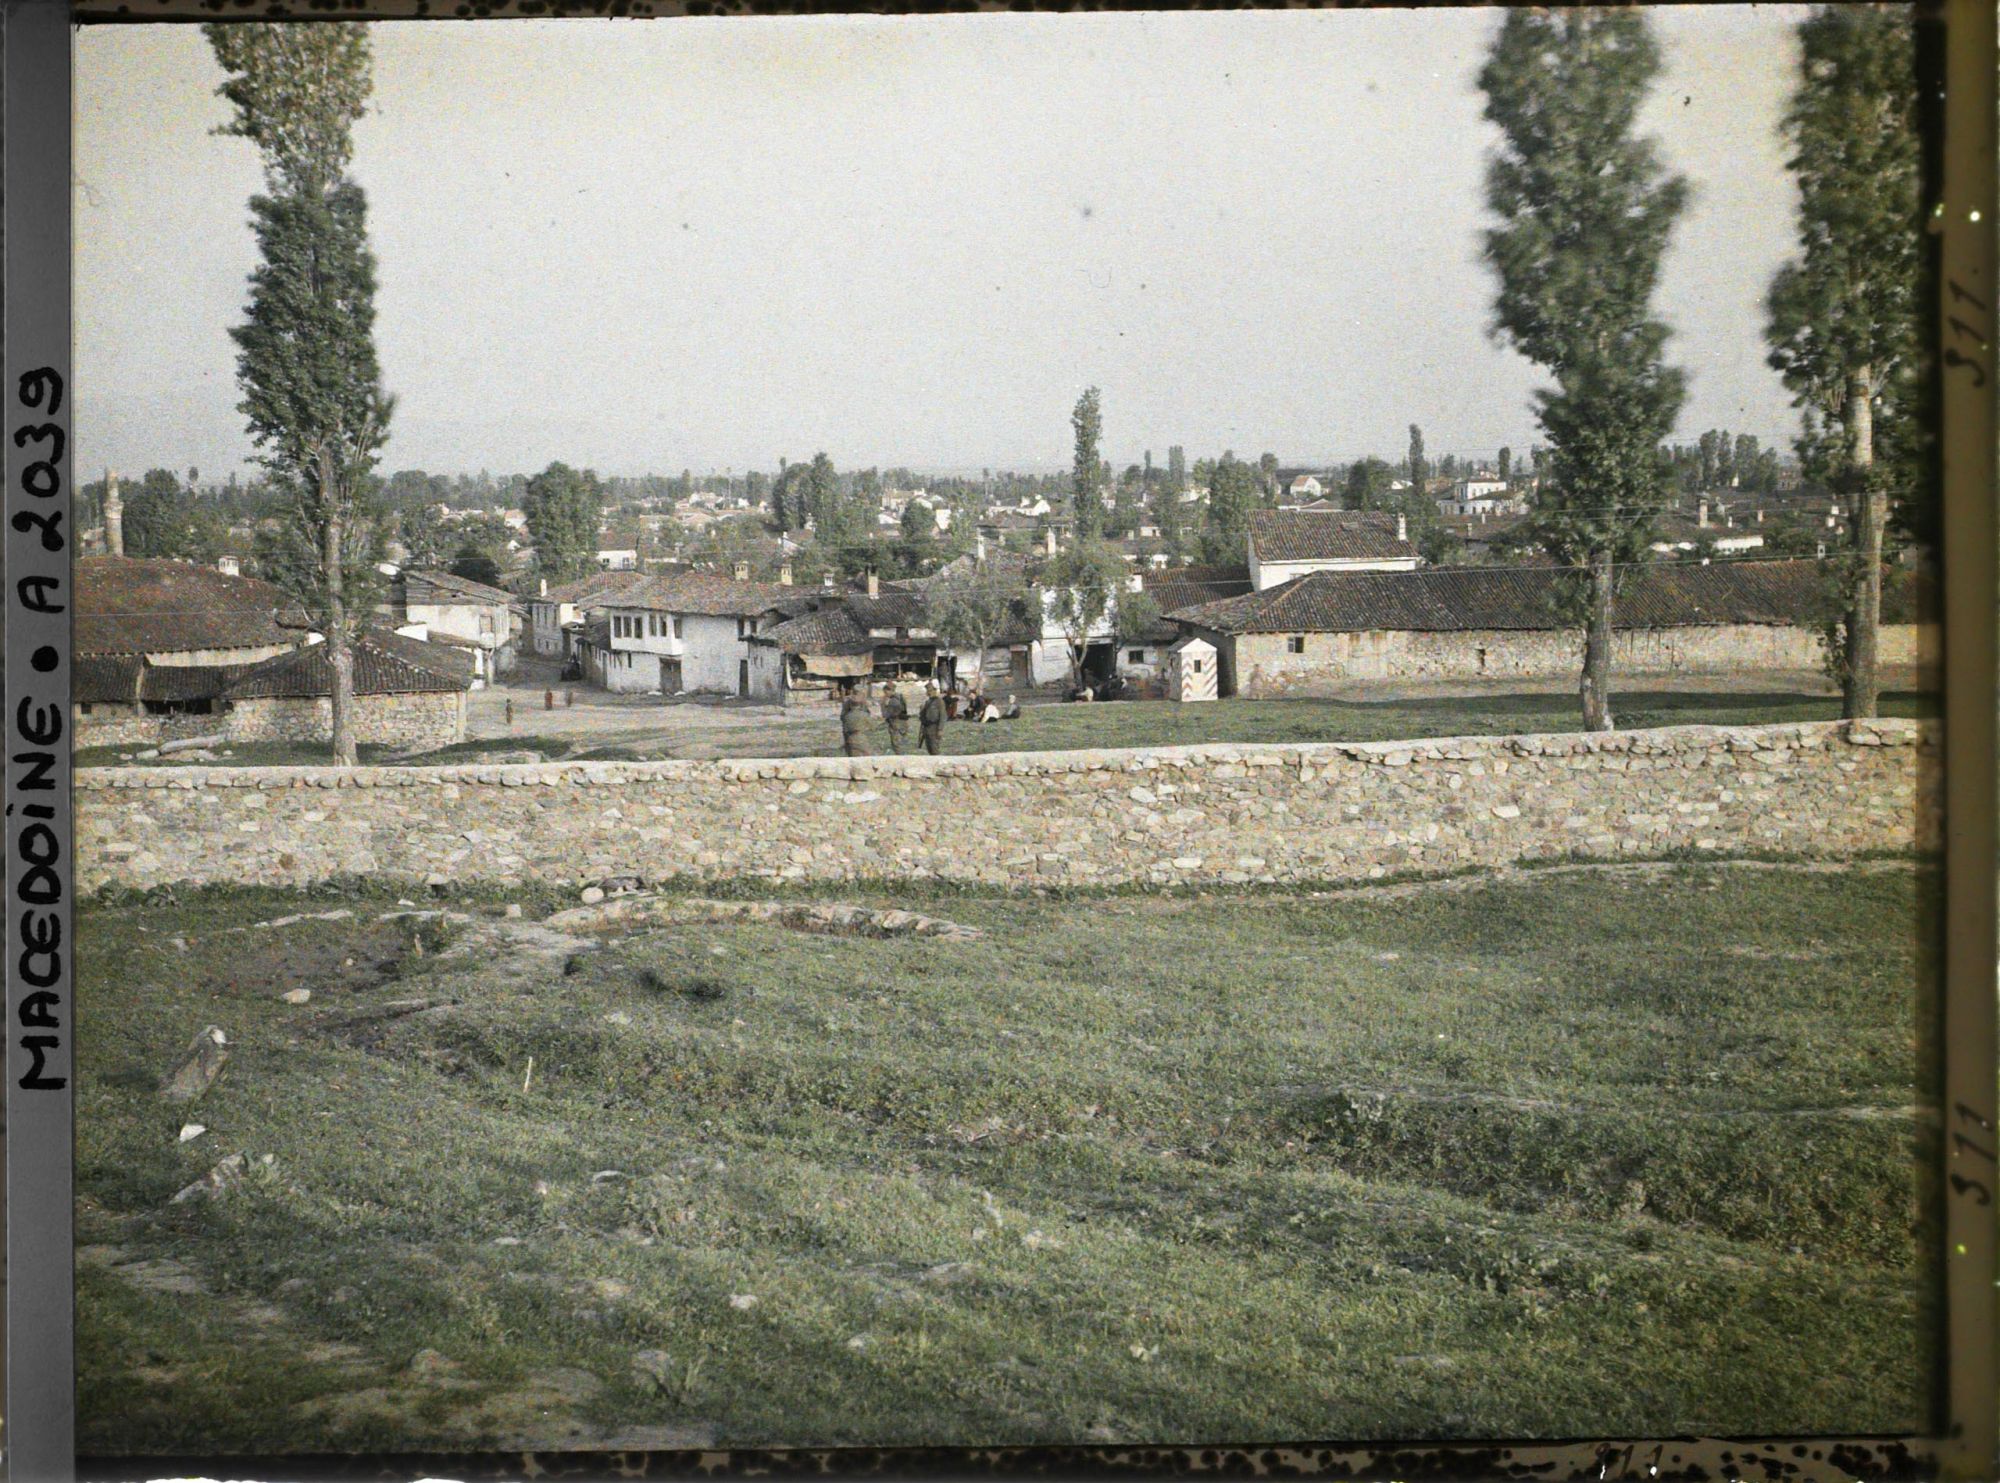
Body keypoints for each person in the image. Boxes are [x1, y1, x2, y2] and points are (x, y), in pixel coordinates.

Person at [840, 687, 873, 757]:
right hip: (852, 726)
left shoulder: (862, 701)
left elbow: (867, 712)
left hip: (858, 726)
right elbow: (843, 715)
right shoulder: (850, 702)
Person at [880, 680, 911, 754]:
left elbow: (885, 715)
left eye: (885, 692)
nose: (885, 694)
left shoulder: (893, 701)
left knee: (897, 746)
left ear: (890, 690)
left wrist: (883, 705)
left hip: (896, 725)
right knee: (902, 745)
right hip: (903, 724)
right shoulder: (900, 697)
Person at [918, 681, 946, 755]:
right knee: (929, 748)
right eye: (928, 691)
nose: (929, 692)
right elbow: (923, 715)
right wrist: (921, 710)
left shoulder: (939, 701)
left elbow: (943, 716)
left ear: (935, 691)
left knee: (935, 748)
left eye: (930, 690)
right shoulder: (927, 702)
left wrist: (940, 729)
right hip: (927, 728)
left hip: (934, 727)